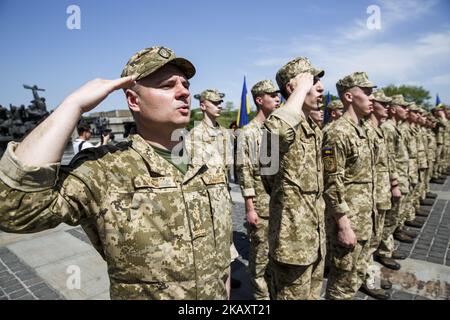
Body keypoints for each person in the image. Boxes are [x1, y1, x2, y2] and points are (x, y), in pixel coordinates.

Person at [0, 45, 231, 300]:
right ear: (133, 100)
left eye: (185, 85)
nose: (183, 93)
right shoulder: (104, 167)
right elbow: (14, 209)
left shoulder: (207, 157)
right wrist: (72, 106)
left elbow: (221, 243)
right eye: (167, 86)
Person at [263, 57, 326, 300]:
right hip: (293, 245)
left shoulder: (311, 128)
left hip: (315, 238)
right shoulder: (278, 124)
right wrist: (300, 88)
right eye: (313, 81)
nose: (320, 88)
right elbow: (277, 132)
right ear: (293, 88)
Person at [323, 71, 377, 300]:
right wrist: (343, 225)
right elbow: (331, 183)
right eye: (365, 93)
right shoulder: (337, 133)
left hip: (365, 218)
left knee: (355, 278)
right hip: (349, 221)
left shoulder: (363, 129)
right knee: (342, 285)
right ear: (348, 96)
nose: (371, 98)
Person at [186, 88, 236, 297]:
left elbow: (226, 170)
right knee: (210, 258)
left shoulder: (225, 134)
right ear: (203, 105)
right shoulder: (193, 136)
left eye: (220, 102)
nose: (219, 106)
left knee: (228, 252)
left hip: (224, 201)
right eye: (215, 102)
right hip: (206, 206)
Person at [236, 79, 280, 299]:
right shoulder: (248, 132)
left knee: (275, 254)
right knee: (260, 257)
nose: (277, 98)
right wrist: (250, 207)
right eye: (272, 95)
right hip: (261, 204)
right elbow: (244, 172)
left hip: (279, 204)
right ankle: (260, 298)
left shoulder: (275, 129)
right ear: (259, 100)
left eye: (277, 94)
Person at [362, 89, 399, 299]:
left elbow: (386, 161)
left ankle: (371, 276)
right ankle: (369, 279)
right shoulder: (365, 129)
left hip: (379, 192)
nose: (386, 107)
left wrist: (393, 182)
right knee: (367, 244)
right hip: (365, 199)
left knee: (373, 241)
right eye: (381, 103)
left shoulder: (377, 130)